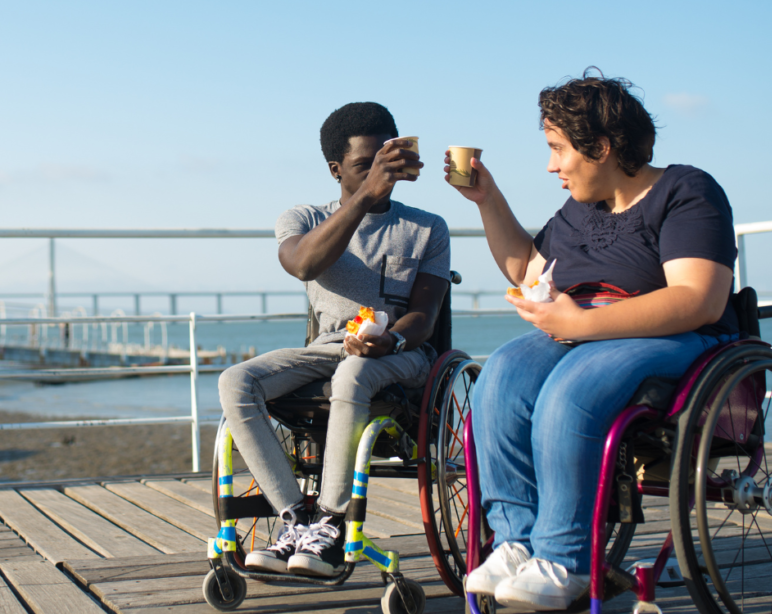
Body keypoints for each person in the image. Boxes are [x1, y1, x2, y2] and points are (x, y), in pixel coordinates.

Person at [449, 70, 738, 610]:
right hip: (578, 331)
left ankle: (564, 557)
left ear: (601, 147)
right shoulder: (581, 208)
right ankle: (515, 542)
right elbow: (524, 267)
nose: (552, 164)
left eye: (559, 149)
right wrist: (488, 200)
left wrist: (581, 325)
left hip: (672, 337)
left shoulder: (686, 191)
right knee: (501, 375)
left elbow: (699, 298)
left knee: (572, 390)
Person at [218, 102, 451, 578]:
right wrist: (364, 198)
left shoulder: (428, 227)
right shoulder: (301, 217)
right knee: (235, 381)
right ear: (336, 169)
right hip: (325, 348)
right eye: (365, 166)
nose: (378, 176)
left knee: (353, 370)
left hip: (401, 354)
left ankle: (331, 519)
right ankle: (298, 520)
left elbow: (425, 316)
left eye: (385, 162)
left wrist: (392, 340)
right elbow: (303, 263)